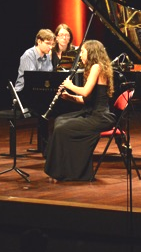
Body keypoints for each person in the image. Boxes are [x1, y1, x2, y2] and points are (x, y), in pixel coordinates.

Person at [44, 39, 116, 182]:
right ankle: (62, 170)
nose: (81, 55)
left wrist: (69, 85)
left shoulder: (97, 67)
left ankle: (66, 172)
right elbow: (86, 100)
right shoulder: (94, 68)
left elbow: (84, 92)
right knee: (59, 121)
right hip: (92, 112)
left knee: (63, 128)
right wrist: (68, 96)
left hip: (100, 117)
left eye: (83, 51)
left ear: (92, 52)